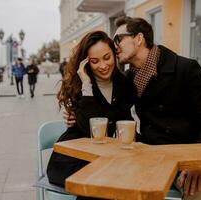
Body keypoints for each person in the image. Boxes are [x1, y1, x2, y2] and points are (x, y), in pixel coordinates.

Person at [65, 16, 201, 200]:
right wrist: (75, 114)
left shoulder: (185, 68)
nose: (115, 46)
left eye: (119, 39)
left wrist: (199, 162)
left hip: (187, 159)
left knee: (198, 190)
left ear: (139, 39)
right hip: (149, 156)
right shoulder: (129, 78)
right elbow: (110, 111)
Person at [46, 31, 136, 199]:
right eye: (95, 61)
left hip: (108, 154)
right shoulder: (80, 85)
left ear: (115, 55)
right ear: (86, 63)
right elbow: (90, 130)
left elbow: (124, 120)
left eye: (107, 57)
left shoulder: (124, 84)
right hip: (76, 156)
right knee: (98, 183)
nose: (103, 66)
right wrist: (87, 86)